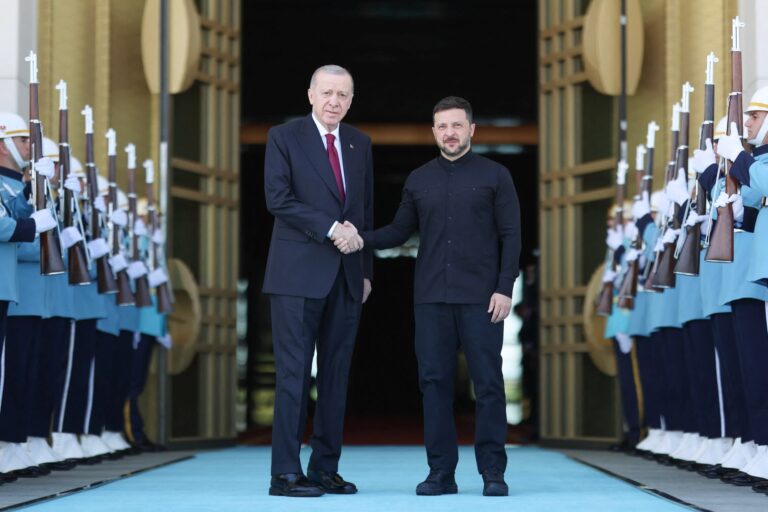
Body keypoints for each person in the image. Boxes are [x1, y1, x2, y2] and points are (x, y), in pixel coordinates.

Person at [343, 96, 521, 497]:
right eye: (442, 126)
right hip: (431, 298)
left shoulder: (496, 176)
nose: (450, 133)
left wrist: (504, 288)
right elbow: (398, 231)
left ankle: (493, 471)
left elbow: (511, 235)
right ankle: (441, 473)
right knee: (434, 383)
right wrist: (360, 238)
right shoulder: (418, 179)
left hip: (482, 298)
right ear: (434, 132)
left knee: (488, 384)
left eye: (457, 125)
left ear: (471, 129)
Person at [262, 64, 373, 497]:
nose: (334, 102)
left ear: (351, 100)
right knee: (293, 375)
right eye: (327, 93)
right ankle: (285, 474)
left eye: (342, 95)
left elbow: (363, 210)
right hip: (296, 275)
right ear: (310, 95)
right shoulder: (283, 137)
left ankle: (325, 467)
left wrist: (365, 271)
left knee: (336, 376)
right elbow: (278, 199)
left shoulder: (359, 143)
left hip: (347, 275)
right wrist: (330, 229)